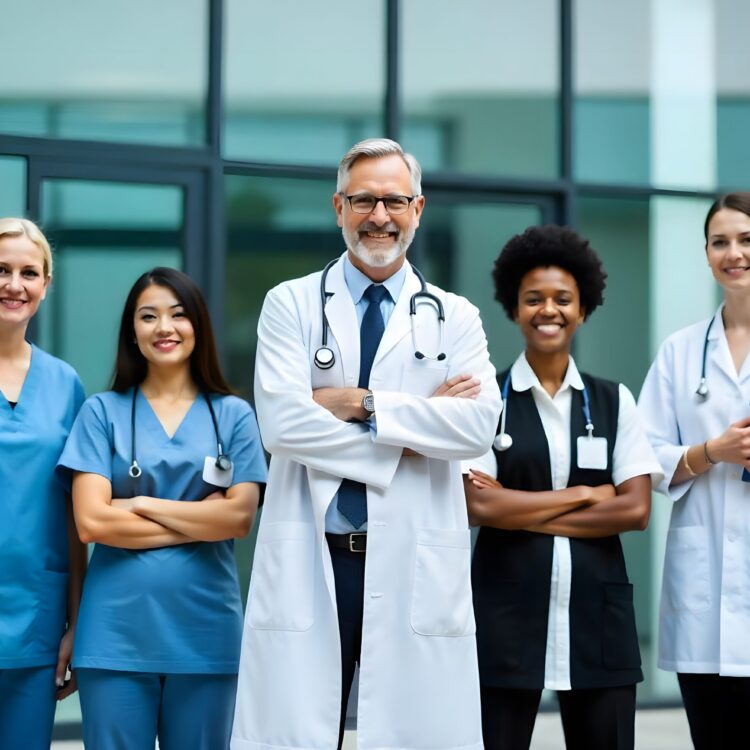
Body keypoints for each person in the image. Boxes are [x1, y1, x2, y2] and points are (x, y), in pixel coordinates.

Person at [231, 138, 501, 750]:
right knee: (294, 729)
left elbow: (477, 426)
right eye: (363, 200)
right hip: (314, 551)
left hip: (413, 558)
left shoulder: (454, 316)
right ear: (338, 207)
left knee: (415, 731)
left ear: (418, 208)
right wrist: (412, 432)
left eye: (394, 200)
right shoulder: (290, 304)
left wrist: (365, 404)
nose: (379, 215)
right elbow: (281, 426)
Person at [466, 225, 662, 750]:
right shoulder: (489, 401)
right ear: (513, 308)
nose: (547, 310)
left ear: (582, 309)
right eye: (533, 299)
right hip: (504, 620)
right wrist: (585, 494)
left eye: (562, 299)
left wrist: (517, 509)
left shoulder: (614, 400)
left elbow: (636, 509)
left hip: (599, 621)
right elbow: (477, 503)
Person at [57, 267, 267, 750]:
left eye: (177, 315)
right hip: (114, 637)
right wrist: (199, 519)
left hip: (206, 634)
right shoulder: (101, 412)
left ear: (198, 325)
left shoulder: (233, 415)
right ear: (132, 331)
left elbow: (238, 519)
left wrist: (139, 505)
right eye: (148, 316)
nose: (164, 327)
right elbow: (91, 522)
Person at [637, 192, 750, 749]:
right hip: (703, 599)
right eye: (720, 241)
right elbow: (643, 456)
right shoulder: (681, 352)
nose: (734, 253)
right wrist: (712, 451)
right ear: (706, 253)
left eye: (746, 239)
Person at [0, 217, 86, 750]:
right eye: (1, 269)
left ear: (46, 285)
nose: (14, 284)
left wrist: (77, 622)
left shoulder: (64, 383)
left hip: (36, 617)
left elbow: (78, 516)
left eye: (28, 272)